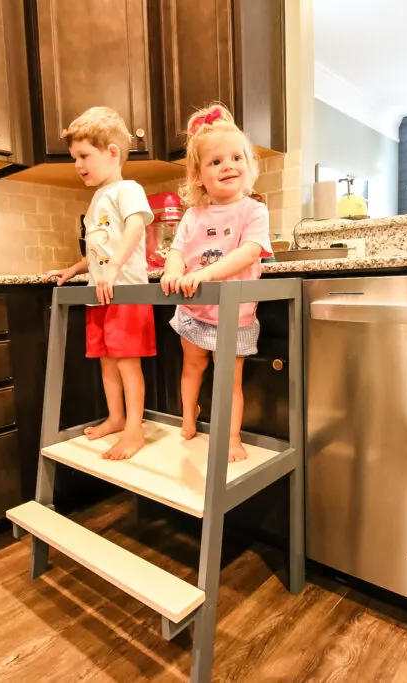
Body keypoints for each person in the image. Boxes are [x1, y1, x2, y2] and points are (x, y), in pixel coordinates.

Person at [159, 104, 272, 463]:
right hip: (194, 310)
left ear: (248, 165)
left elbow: (251, 251)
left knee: (229, 381)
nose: (228, 166)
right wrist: (171, 271)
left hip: (234, 315)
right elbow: (176, 250)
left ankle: (232, 437)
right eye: (216, 161)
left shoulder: (253, 210)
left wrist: (204, 274)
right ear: (198, 176)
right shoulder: (193, 215)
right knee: (192, 366)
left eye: (236, 157)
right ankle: (189, 416)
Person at [46, 107, 155, 460]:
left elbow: (137, 228)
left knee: (127, 363)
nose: (78, 164)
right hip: (100, 296)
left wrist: (114, 269)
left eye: (83, 156)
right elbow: (98, 254)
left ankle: (135, 430)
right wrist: (74, 270)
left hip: (126, 294)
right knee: (107, 362)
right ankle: (117, 418)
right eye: (74, 157)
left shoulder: (129, 189)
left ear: (111, 152)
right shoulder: (96, 199)